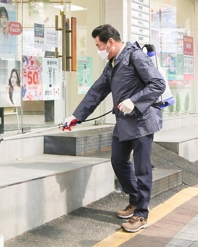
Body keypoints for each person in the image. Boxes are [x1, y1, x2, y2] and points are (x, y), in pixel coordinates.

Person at [63, 24, 166, 233]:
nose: (98, 49)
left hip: (142, 121)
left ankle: (141, 215)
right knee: (118, 161)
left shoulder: (134, 56)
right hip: (124, 123)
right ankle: (135, 200)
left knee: (142, 169)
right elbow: (97, 91)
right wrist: (76, 116)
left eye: (99, 45)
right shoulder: (112, 63)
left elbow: (157, 84)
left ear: (110, 42)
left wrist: (135, 101)